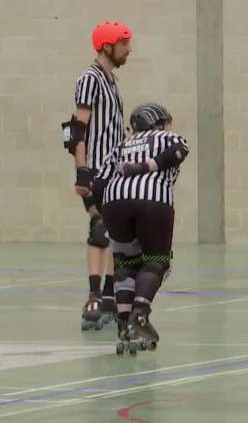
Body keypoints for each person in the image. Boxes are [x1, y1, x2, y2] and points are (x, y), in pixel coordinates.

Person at [91, 103, 190, 355]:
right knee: (156, 260)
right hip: (152, 199)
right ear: (158, 123)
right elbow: (181, 149)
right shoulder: (165, 136)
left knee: (125, 261)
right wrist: (145, 168)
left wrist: (105, 214)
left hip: (114, 201)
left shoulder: (121, 145)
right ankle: (140, 315)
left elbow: (100, 183)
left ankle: (124, 322)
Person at [61, 21, 131, 331]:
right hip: (98, 170)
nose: (128, 48)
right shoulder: (89, 79)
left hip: (117, 170)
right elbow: (77, 129)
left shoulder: (111, 80)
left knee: (119, 236)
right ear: (106, 46)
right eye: (124, 43)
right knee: (100, 229)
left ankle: (107, 298)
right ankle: (93, 298)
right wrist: (82, 171)